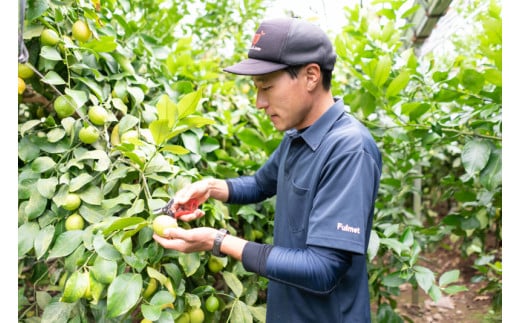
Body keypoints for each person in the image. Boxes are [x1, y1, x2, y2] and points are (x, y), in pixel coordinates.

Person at [153, 17, 382, 322]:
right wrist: (210, 187)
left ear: (311, 76)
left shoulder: (349, 149)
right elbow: (260, 184)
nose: (259, 102)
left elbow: (323, 269)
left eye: (267, 88)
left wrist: (217, 241)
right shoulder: (298, 136)